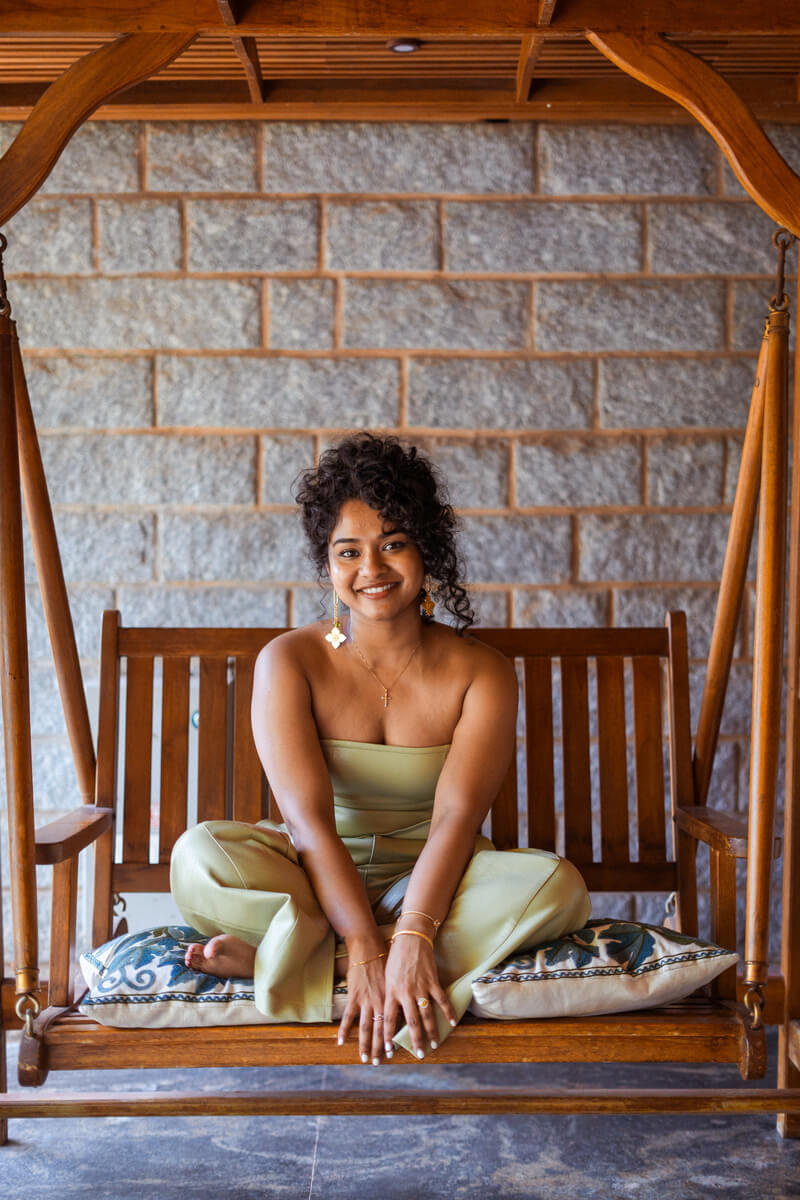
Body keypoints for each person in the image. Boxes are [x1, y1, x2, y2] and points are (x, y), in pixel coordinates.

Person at [170, 433, 590, 1064]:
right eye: (349, 551)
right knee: (198, 856)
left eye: (392, 544)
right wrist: (365, 945)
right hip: (310, 879)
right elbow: (308, 825)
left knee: (558, 888)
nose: (372, 569)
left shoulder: (483, 671)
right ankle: (355, 960)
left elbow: (455, 819)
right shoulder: (289, 661)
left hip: (436, 883)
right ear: (328, 563)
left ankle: (288, 960)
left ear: (426, 549)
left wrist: (415, 931)